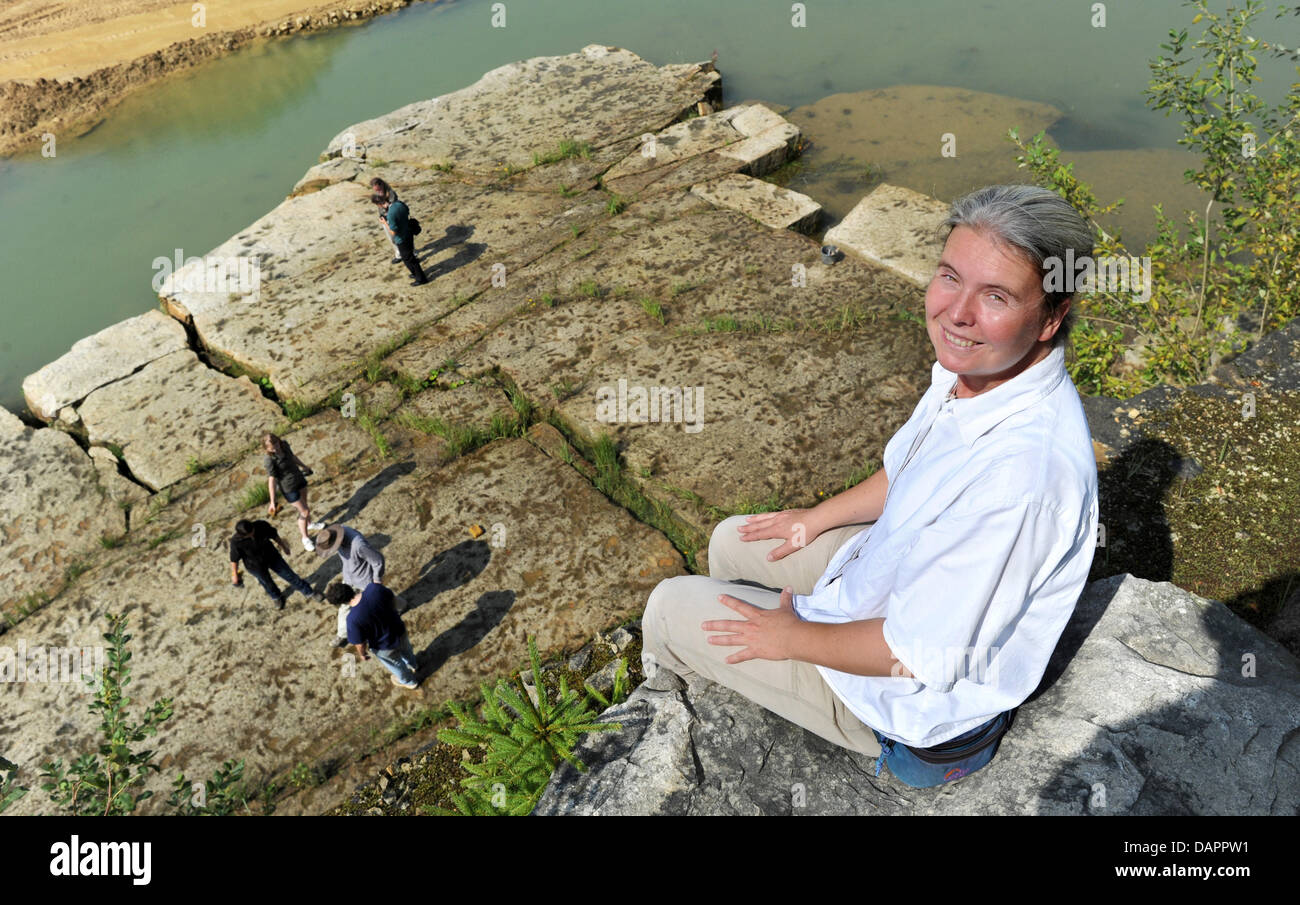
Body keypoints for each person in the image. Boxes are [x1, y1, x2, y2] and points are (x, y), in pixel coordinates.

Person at [641, 184, 1100, 788]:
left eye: (996, 296)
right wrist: (817, 517)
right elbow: (910, 468)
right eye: (949, 277)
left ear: (1051, 317)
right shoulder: (979, 375)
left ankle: (657, 711)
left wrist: (792, 638)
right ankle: (731, 651)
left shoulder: (1021, 480)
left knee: (670, 605)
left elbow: (917, 656)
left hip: (902, 707)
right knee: (734, 540)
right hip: (882, 583)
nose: (956, 313)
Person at [334, 581, 421, 689]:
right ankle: (414, 665)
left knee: (396, 666)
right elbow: (392, 600)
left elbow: (360, 643)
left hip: (383, 646)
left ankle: (409, 682)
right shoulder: (374, 588)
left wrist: (362, 654)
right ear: (349, 587)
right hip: (398, 630)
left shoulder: (352, 620)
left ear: (341, 603)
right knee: (407, 649)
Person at [315, 524, 386, 649]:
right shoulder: (336, 534)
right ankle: (342, 634)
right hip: (348, 577)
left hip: (365, 580)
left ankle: (398, 606)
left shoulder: (358, 545)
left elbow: (378, 561)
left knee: (376, 603)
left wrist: (376, 581)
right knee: (344, 607)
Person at [229, 519, 320, 609]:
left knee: (290, 575)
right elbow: (234, 559)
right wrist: (235, 574)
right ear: (242, 535)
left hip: (272, 556)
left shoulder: (261, 525)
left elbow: (274, 535)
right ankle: (276, 597)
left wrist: (283, 546)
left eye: (252, 531)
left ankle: (309, 592)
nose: (252, 534)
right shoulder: (236, 542)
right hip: (254, 565)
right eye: (249, 535)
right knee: (266, 582)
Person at [263, 433, 324, 552]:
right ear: (266, 448)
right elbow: (272, 480)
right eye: (271, 447)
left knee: (305, 506)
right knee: (304, 511)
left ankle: (310, 524)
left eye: (275, 444)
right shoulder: (269, 460)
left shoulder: (285, 446)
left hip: (299, 479)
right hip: (288, 488)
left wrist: (304, 467)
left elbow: (292, 457)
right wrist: (272, 501)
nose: (275, 448)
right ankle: (305, 538)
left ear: (278, 441)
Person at [375, 192, 427, 286]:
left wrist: (385, 223)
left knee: (408, 259)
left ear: (381, 204)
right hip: (409, 232)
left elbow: (393, 232)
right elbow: (407, 211)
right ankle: (416, 274)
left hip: (401, 239)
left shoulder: (390, 214)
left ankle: (421, 278)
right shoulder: (399, 204)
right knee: (410, 255)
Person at [370, 177, 402, 264]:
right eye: (375, 190)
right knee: (391, 238)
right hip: (384, 218)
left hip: (394, 217)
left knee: (402, 237)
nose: (378, 191)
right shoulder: (377, 194)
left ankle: (412, 253)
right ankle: (398, 254)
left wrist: (383, 202)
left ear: (382, 185)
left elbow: (392, 206)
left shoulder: (391, 193)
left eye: (379, 189)